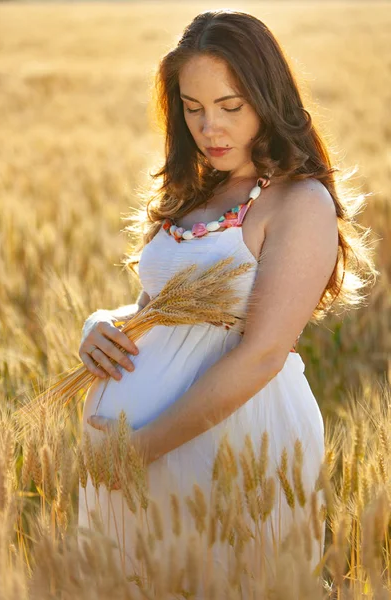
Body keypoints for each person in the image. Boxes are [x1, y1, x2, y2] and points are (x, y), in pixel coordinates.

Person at [77, 8, 376, 594]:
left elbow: (262, 354)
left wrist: (140, 452)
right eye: (193, 108)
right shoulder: (193, 189)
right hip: (133, 459)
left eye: (230, 107)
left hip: (230, 450)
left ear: (268, 97)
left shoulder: (298, 202)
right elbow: (153, 313)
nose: (210, 127)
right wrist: (99, 323)